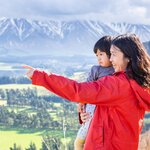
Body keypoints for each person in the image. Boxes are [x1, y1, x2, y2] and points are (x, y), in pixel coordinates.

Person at [23, 33, 150, 150]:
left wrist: (40, 76)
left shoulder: (118, 84)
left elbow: (78, 91)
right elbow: (111, 116)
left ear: (128, 57)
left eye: (114, 54)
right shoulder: (138, 83)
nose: (110, 59)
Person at [74, 36, 114, 150]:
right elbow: (85, 89)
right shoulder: (96, 70)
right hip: (91, 109)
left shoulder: (118, 71)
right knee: (79, 142)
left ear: (110, 53)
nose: (98, 58)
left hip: (104, 116)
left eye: (101, 54)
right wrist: (81, 103)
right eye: (97, 55)